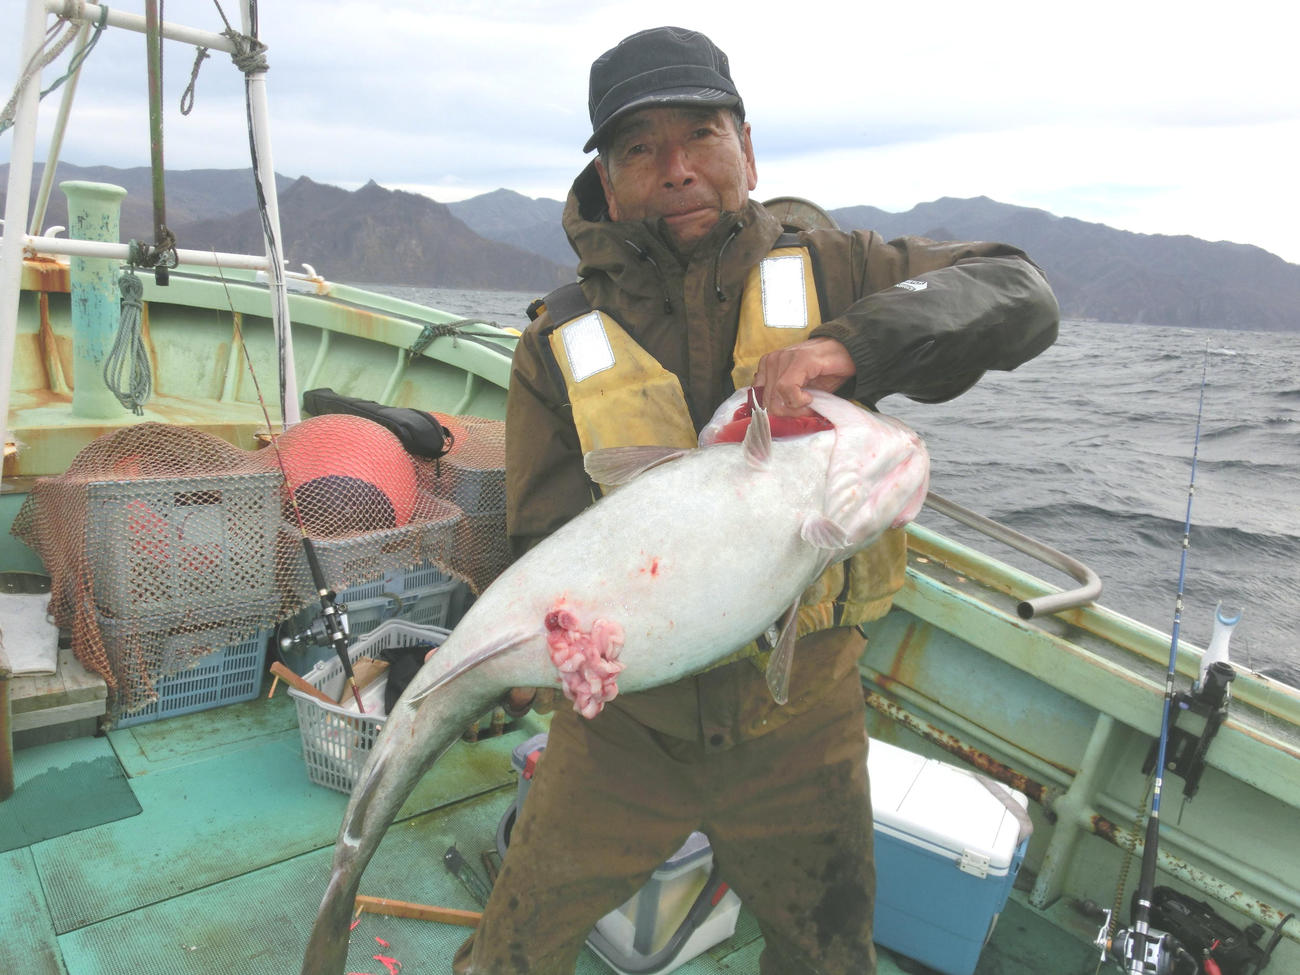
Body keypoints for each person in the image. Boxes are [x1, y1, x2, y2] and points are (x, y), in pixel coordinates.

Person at [453, 25, 1059, 975]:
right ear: (609, 183)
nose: (678, 168)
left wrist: (851, 344)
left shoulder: (838, 270)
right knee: (510, 952)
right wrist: (562, 646)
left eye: (701, 136)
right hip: (625, 733)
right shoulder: (555, 344)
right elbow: (541, 534)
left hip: (801, 723)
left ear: (747, 147)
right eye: (640, 149)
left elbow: (1020, 292)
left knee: (830, 957)